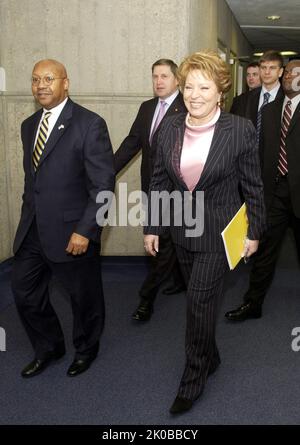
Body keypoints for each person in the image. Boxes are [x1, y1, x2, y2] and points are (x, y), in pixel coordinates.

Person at [143, 51, 266, 414]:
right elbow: (160, 179)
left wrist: (255, 230)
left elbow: (254, 186)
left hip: (218, 233)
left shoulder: (240, 130)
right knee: (202, 304)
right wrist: (153, 226)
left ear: (220, 92)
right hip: (181, 231)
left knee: (197, 304)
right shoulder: (170, 126)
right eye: (189, 86)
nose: (194, 94)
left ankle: (192, 380)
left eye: (204, 87)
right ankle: (210, 355)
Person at [11, 59, 115, 378]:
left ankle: (86, 348)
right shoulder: (29, 126)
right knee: (24, 291)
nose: (41, 85)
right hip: (33, 230)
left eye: (49, 78)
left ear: (65, 83)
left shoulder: (89, 124)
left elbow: (103, 185)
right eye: (35, 80)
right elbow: (35, 180)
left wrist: (86, 230)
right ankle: (49, 347)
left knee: (82, 298)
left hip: (74, 232)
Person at [225, 59, 300, 322]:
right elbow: (263, 154)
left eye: (296, 73)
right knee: (265, 251)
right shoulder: (269, 111)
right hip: (275, 193)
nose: (291, 77)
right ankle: (252, 304)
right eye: (289, 72)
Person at [114, 59, 186, 322]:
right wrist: (107, 171)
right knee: (163, 241)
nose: (159, 81)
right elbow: (132, 143)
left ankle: (146, 299)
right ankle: (179, 280)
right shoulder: (147, 108)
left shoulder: (188, 107)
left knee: (162, 242)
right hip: (151, 188)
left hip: (178, 192)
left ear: (177, 80)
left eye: (164, 76)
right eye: (155, 76)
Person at [231, 52, 284, 126]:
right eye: (263, 68)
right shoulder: (245, 98)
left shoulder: (287, 99)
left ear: (280, 72)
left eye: (272, 68)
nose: (267, 72)